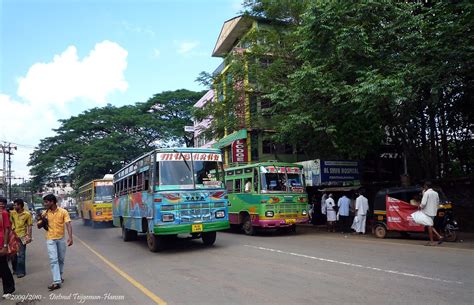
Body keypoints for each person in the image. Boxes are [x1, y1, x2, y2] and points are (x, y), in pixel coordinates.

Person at [37, 194, 73, 291]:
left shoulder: (63, 212)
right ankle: (56, 281)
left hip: (61, 238)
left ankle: (59, 277)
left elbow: (68, 224)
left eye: (46, 202)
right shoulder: (44, 213)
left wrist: (70, 237)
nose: (45, 204)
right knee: (53, 260)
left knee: (61, 259)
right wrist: (41, 219)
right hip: (50, 239)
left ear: (52, 202)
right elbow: (38, 226)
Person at [10, 198, 32, 278]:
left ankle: (21, 271)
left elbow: (29, 226)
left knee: (21, 254)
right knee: (13, 254)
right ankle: (15, 269)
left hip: (23, 236)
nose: (14, 206)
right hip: (13, 236)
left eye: (15, 205)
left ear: (20, 205)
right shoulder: (12, 213)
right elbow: (10, 223)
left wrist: (29, 236)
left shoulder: (27, 214)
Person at [420, 182, 443, 246]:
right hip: (433, 212)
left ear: (426, 186)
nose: (424, 187)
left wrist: (420, 206)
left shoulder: (427, 193)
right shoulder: (436, 193)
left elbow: (423, 203)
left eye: (424, 186)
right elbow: (438, 202)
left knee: (429, 226)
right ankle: (439, 236)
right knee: (430, 225)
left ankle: (432, 242)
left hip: (427, 212)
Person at [0, 197, 15, 299]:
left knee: (3, 267)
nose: (1, 205)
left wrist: (5, 246)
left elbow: (7, 230)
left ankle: (9, 289)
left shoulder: (4, 214)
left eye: (3, 204)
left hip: (1, 243)